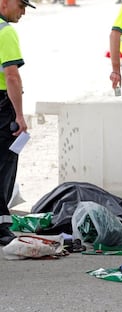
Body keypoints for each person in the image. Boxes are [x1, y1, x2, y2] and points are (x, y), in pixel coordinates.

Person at [0, 0, 34, 245]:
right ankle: (1, 226)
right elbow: (11, 75)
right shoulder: (6, 31)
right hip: (2, 107)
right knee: (4, 163)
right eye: (20, 6)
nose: (22, 12)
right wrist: (19, 116)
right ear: (4, 3)